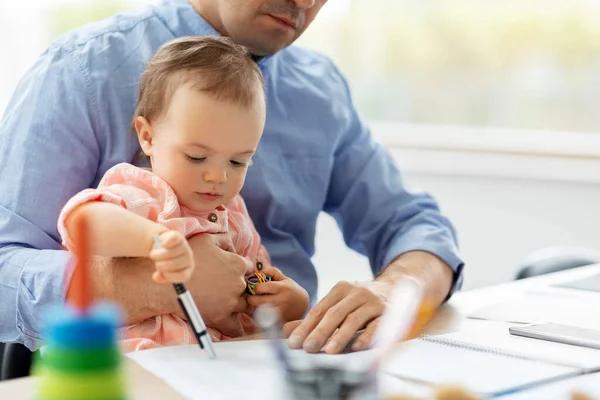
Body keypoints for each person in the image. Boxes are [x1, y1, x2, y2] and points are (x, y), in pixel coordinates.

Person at [0, 0, 464, 354]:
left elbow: (412, 224)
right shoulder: (80, 70)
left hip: (277, 367)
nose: (304, 3)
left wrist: (394, 288)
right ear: (146, 134)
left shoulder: (320, 91)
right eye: (196, 155)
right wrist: (155, 287)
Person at [56, 36, 309, 352]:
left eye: (238, 161)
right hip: (136, 362)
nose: (218, 176)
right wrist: (153, 239)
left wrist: (285, 303)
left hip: (210, 368)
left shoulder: (236, 218)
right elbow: (82, 221)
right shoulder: (147, 192)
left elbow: (246, 293)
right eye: (196, 157)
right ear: (148, 137)